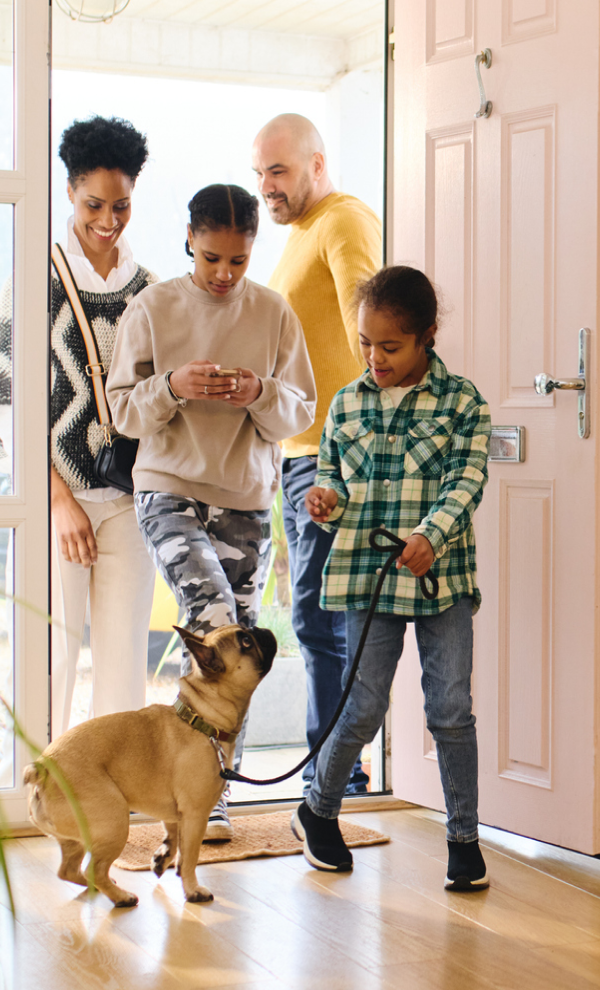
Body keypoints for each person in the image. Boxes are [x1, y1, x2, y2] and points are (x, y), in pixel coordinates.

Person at [106, 183, 316, 841]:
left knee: (241, 651)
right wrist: (171, 387)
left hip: (247, 499)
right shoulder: (153, 307)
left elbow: (301, 410)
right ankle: (190, 792)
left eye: (238, 262)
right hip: (167, 487)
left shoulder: (275, 313)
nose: (224, 274)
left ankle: (205, 795)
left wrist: (257, 391)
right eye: (212, 260)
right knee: (218, 625)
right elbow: (121, 409)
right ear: (189, 242)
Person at [290, 265, 493, 892]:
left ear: (426, 337)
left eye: (390, 346)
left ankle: (464, 838)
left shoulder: (464, 403)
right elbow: (337, 482)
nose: (375, 358)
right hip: (365, 578)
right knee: (363, 706)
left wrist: (431, 535)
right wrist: (325, 500)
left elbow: (467, 480)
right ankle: (317, 811)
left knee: (450, 709)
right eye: (365, 344)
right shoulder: (347, 403)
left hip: (441, 577)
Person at [0, 115, 157, 741]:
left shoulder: (149, 290)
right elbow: (1, 397)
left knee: (123, 669)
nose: (108, 220)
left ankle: (117, 802)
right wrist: (55, 498)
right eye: (93, 204)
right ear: (69, 193)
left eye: (122, 205)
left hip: (130, 505)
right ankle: (30, 795)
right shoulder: (35, 280)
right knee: (45, 661)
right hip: (54, 501)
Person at [251, 112, 382, 794]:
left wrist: (352, 448)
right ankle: (337, 769)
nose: (267, 186)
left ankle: (336, 774)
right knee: (315, 615)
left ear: (317, 164)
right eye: (260, 173)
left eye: (279, 170)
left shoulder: (342, 221)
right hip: (299, 453)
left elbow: (373, 331)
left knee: (321, 614)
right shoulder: (300, 234)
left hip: (333, 454)